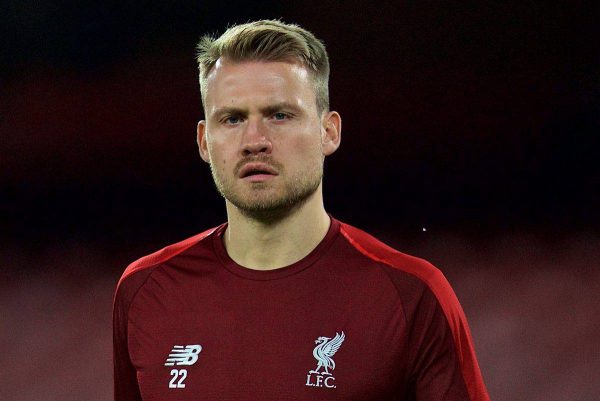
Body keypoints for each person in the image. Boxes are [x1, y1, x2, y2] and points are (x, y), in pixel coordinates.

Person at [113, 20, 490, 401]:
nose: (254, 141)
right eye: (232, 119)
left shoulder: (412, 296)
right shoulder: (144, 291)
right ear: (204, 141)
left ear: (329, 132)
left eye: (279, 115)